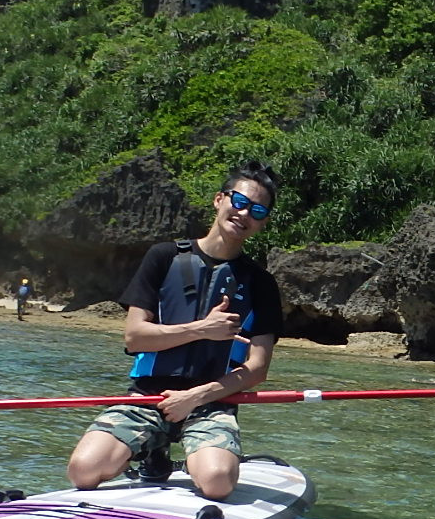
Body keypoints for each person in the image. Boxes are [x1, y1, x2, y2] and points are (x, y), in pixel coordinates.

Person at [65, 163, 284, 501]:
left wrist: (195, 397)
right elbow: (135, 337)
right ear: (219, 199)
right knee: (83, 471)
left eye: (257, 210)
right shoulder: (163, 257)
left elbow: (257, 369)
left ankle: (203, 455)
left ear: (263, 222)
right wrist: (202, 329)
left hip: (212, 403)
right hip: (148, 397)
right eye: (238, 201)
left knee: (218, 482)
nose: (244, 213)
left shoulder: (262, 284)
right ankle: (151, 451)